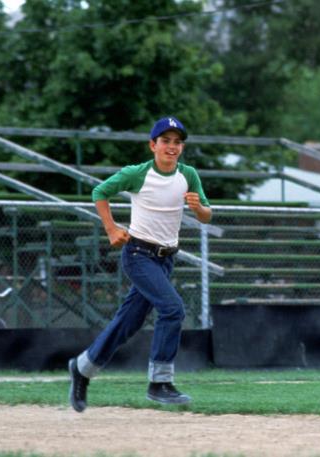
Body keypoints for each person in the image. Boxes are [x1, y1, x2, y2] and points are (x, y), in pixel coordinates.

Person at [68, 116, 212, 412]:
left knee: (128, 322)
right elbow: (100, 192)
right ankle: (159, 383)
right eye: (165, 141)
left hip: (165, 260)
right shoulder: (137, 173)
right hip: (138, 255)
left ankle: (82, 368)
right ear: (153, 145)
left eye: (177, 142)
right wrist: (110, 228)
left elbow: (207, 214)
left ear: (181, 147)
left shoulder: (188, 175)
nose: (171, 147)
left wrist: (199, 209)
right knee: (173, 309)